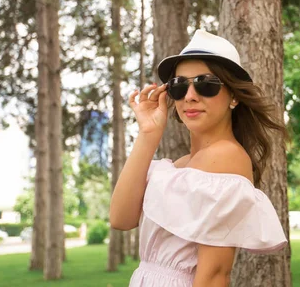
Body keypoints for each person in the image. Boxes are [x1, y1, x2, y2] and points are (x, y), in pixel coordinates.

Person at [109, 30, 288, 287]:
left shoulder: (224, 157)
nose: (190, 96)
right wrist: (148, 134)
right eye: (179, 86)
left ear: (234, 96)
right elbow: (120, 218)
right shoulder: (181, 166)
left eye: (206, 83)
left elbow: (214, 275)